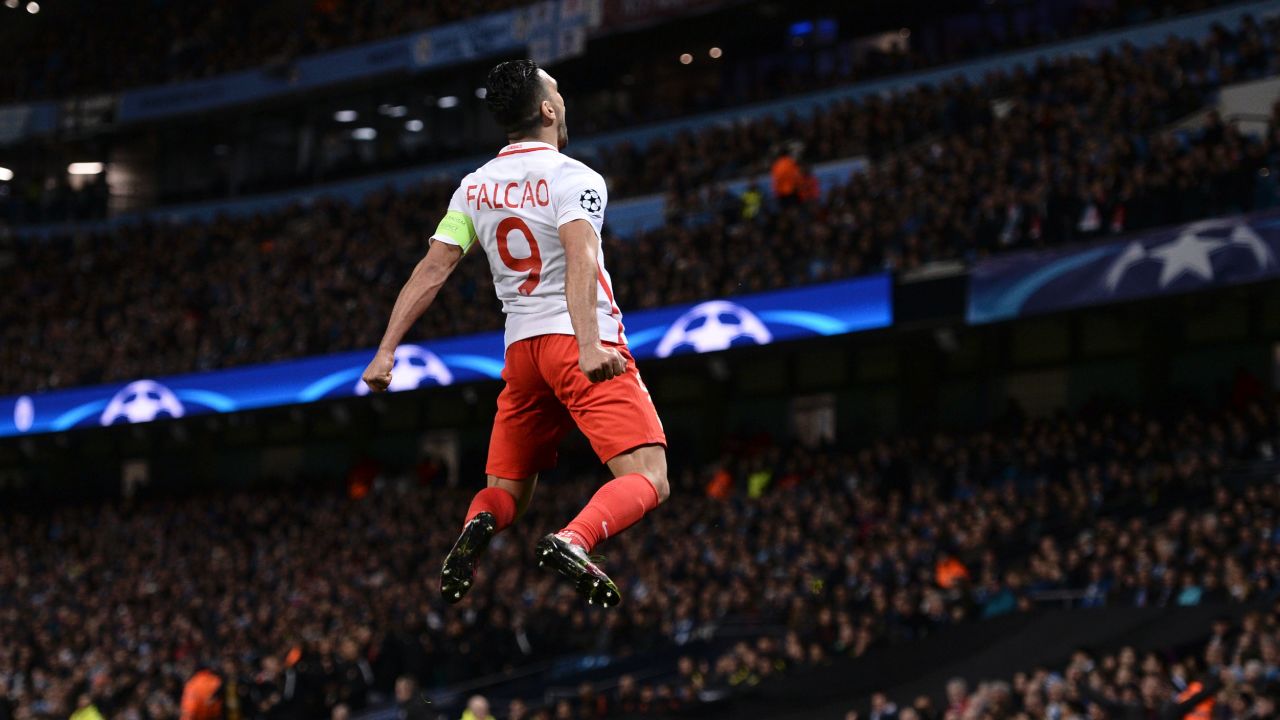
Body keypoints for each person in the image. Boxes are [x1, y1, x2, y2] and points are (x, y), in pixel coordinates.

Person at [361, 58, 669, 607]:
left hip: (521, 354)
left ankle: (477, 526)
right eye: (560, 92)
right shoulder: (576, 178)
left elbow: (433, 268)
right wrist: (590, 343)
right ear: (548, 110)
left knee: (506, 493)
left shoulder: (474, 188)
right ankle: (575, 540)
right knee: (649, 474)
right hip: (574, 343)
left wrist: (386, 351)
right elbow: (580, 256)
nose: (564, 99)